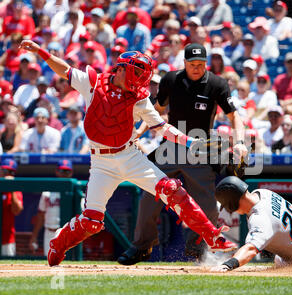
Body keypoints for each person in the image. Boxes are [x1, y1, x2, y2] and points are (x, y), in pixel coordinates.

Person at [19, 40, 237, 266]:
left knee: (171, 189)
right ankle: (59, 243)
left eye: (143, 73)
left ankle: (212, 235)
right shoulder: (94, 82)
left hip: (129, 156)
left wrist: (190, 142)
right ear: (120, 69)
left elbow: (161, 126)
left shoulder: (139, 97)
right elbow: (64, 69)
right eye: (137, 72)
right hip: (102, 162)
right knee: (92, 222)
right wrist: (41, 51)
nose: (141, 78)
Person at [117, 43, 247, 265]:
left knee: (207, 205)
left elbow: (234, 116)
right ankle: (141, 246)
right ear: (184, 63)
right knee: (149, 192)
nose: (197, 68)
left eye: (201, 64)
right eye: (192, 64)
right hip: (170, 145)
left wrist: (241, 142)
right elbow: (156, 111)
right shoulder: (170, 80)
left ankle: (198, 247)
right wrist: (138, 131)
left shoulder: (217, 83)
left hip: (201, 148)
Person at [30, 159, 76, 257]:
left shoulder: (76, 192)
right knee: (50, 262)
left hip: (68, 233)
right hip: (49, 232)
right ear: (57, 172)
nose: (64, 174)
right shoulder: (47, 192)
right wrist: (34, 237)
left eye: (67, 171)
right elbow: (40, 216)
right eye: (62, 171)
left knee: (67, 263)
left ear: (71, 173)